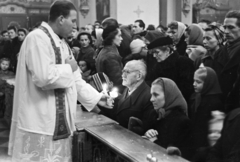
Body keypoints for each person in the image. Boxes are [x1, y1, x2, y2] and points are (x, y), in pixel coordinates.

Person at [8, 1, 111, 162]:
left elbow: (75, 80)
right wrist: (68, 68)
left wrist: (98, 97)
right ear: (61, 19)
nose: (75, 26)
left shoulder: (62, 43)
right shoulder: (37, 38)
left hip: (58, 122)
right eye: (73, 21)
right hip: (40, 122)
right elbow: (43, 78)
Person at [144, 77, 191, 159]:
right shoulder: (154, 114)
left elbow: (177, 156)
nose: (151, 99)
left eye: (156, 95)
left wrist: (155, 141)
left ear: (169, 95)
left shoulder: (182, 121)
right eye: (151, 95)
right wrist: (148, 133)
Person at [108, 60, 155, 135]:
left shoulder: (148, 96)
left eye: (127, 72)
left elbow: (145, 127)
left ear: (139, 76)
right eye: (123, 71)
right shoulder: (127, 89)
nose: (122, 75)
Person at [147, 36, 195, 102]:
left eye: (157, 52)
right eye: (153, 53)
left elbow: (186, 90)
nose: (154, 56)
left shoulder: (184, 63)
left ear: (167, 50)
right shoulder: (157, 66)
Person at [190, 67, 223, 157]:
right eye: (194, 81)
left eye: (198, 82)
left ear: (209, 83)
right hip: (194, 140)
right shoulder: (197, 96)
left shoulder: (215, 103)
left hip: (204, 144)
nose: (194, 84)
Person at [213, 10, 240, 112]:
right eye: (225, 27)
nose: (226, 31)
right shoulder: (219, 52)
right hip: (219, 107)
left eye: (231, 27)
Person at [95, 24, 124, 93]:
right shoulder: (111, 55)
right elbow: (117, 80)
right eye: (119, 36)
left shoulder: (105, 50)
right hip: (114, 93)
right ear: (111, 37)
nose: (121, 38)